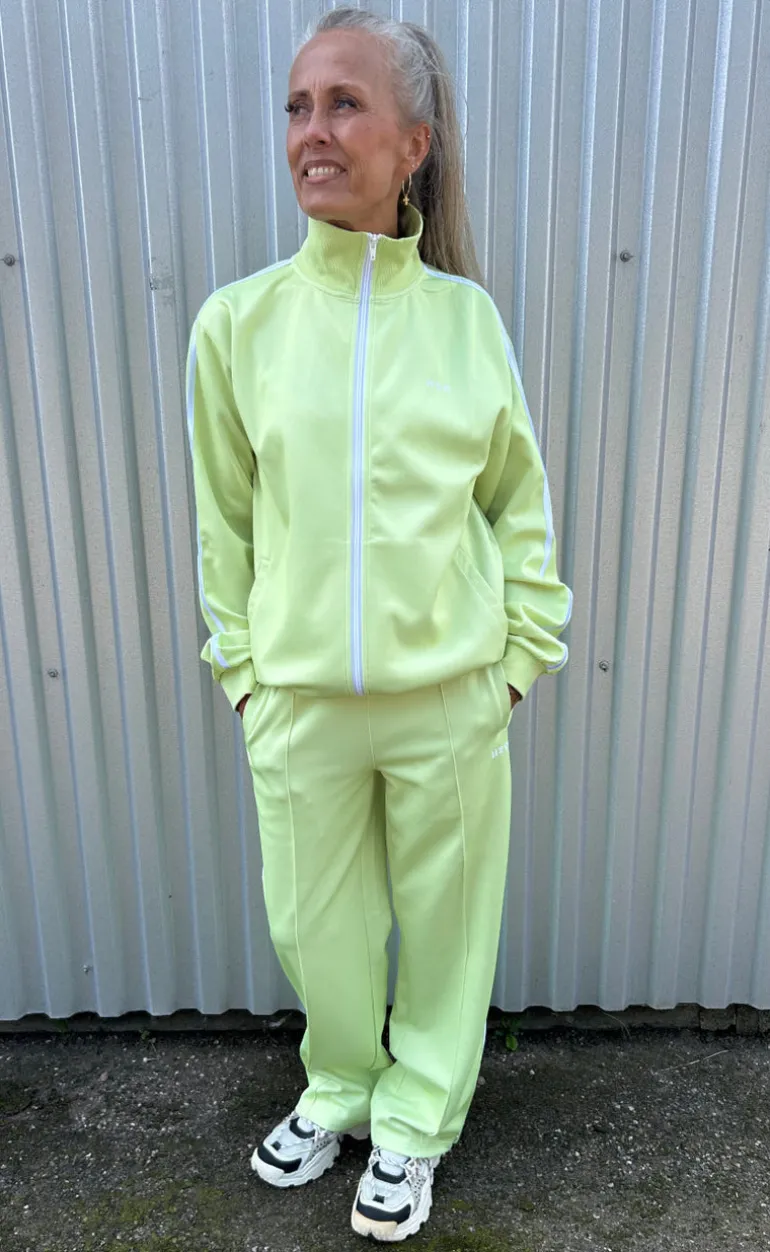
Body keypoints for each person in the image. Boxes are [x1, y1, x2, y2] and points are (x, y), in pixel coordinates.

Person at [185, 7, 572, 1242]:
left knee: (449, 931)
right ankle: (341, 1083)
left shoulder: (464, 323)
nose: (312, 131)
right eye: (297, 106)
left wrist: (514, 661)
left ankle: (414, 1118)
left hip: (447, 698)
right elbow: (223, 523)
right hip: (299, 702)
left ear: (412, 144)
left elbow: (516, 503)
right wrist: (247, 678)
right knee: (316, 925)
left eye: (343, 104)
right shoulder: (235, 325)